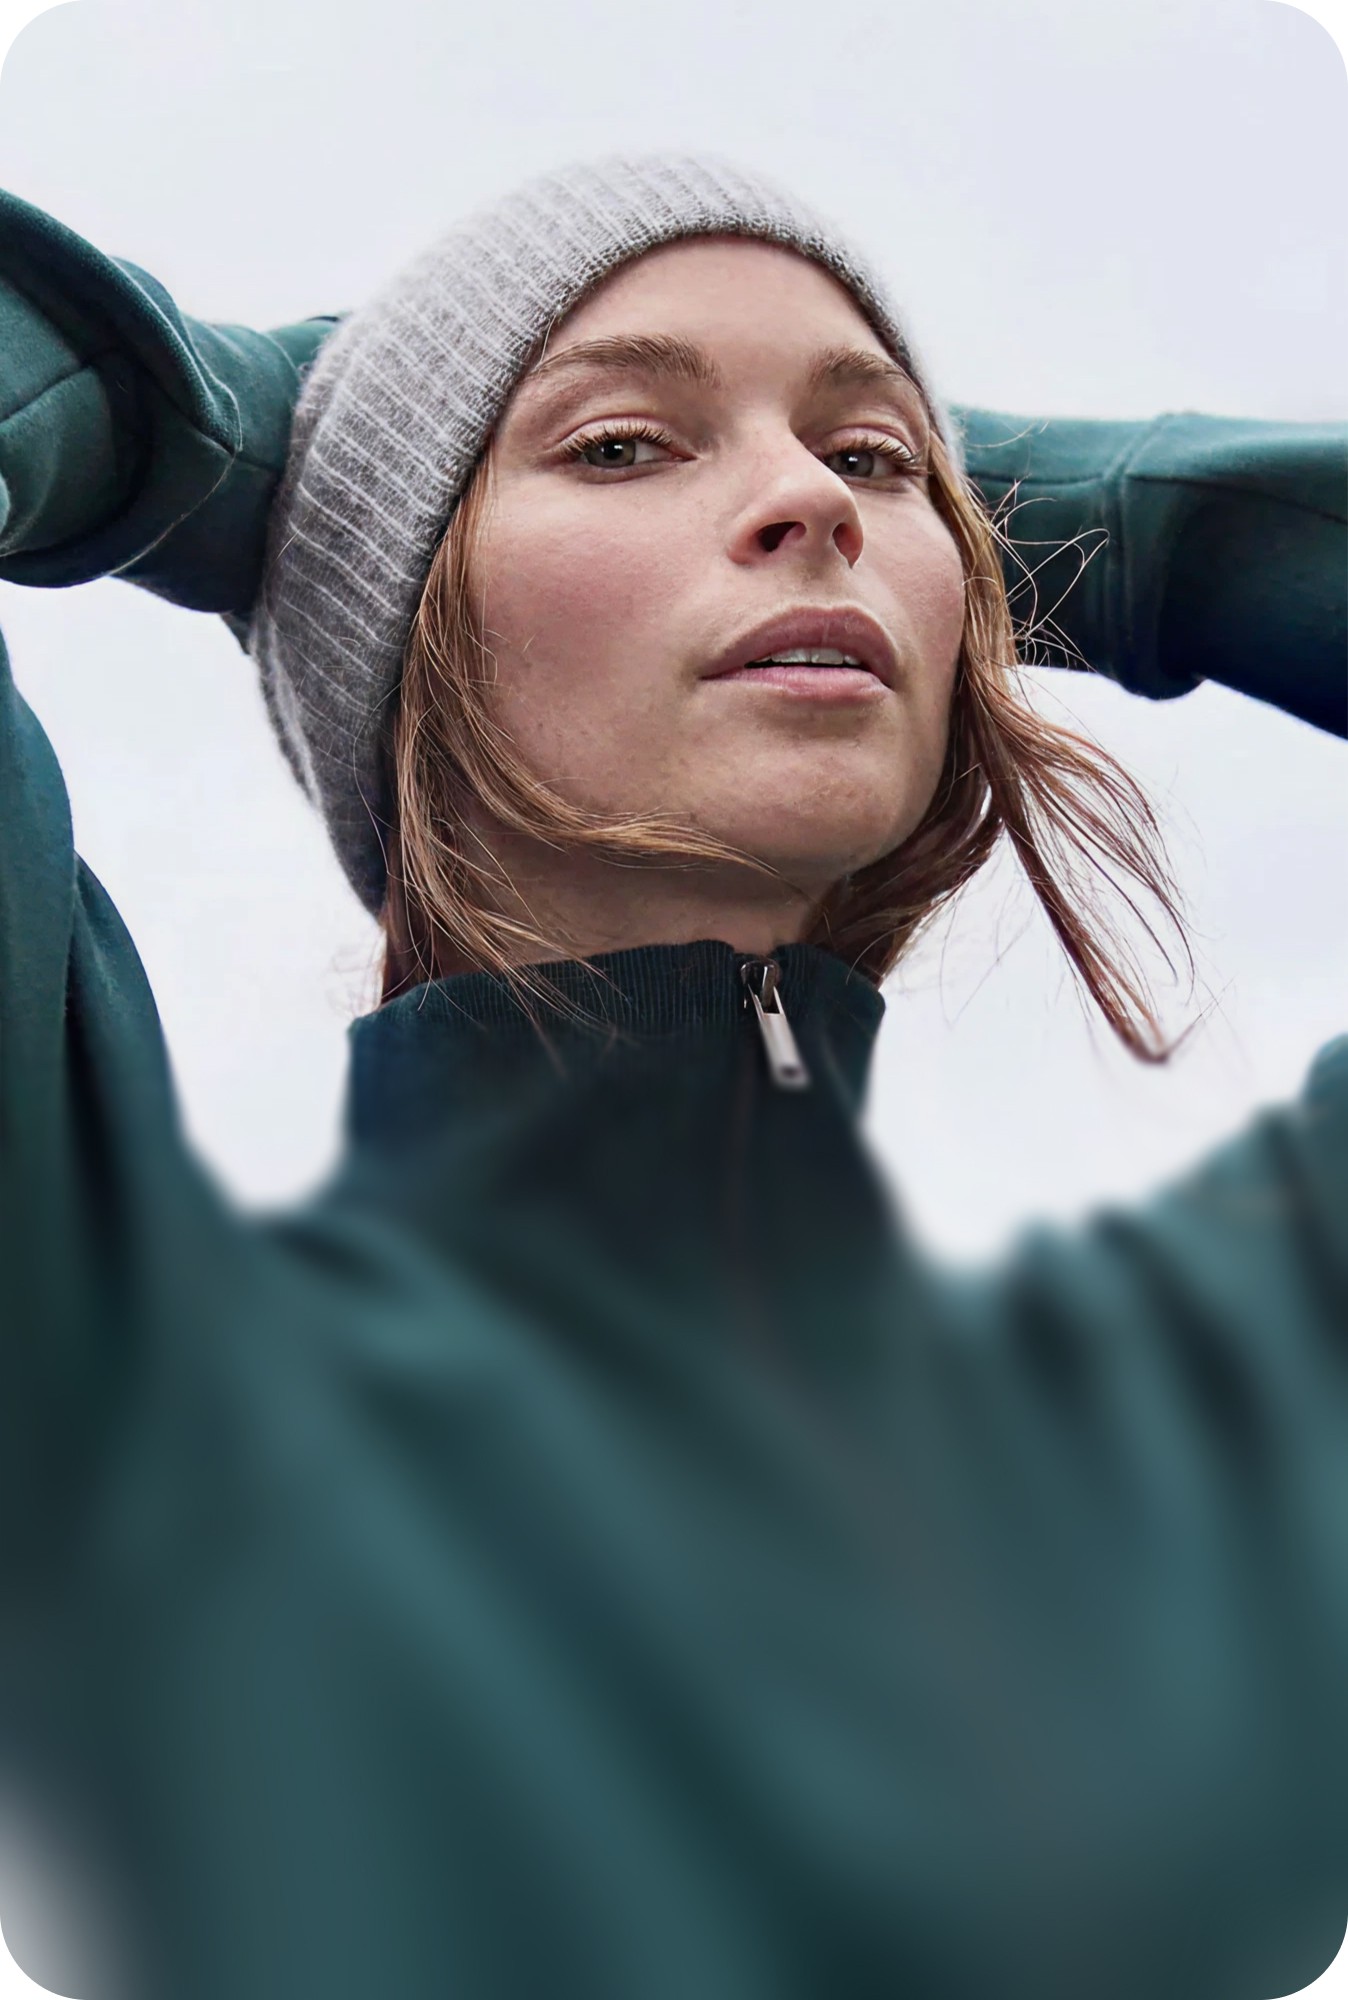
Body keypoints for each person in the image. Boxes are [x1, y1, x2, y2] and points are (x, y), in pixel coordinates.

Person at [0, 150, 1344, 2000]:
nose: (811, 503)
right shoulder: (125, 1366)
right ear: (406, 636)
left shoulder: (1212, 1394)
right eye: (622, 447)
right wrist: (211, 448)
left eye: (876, 467)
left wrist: (1103, 528)